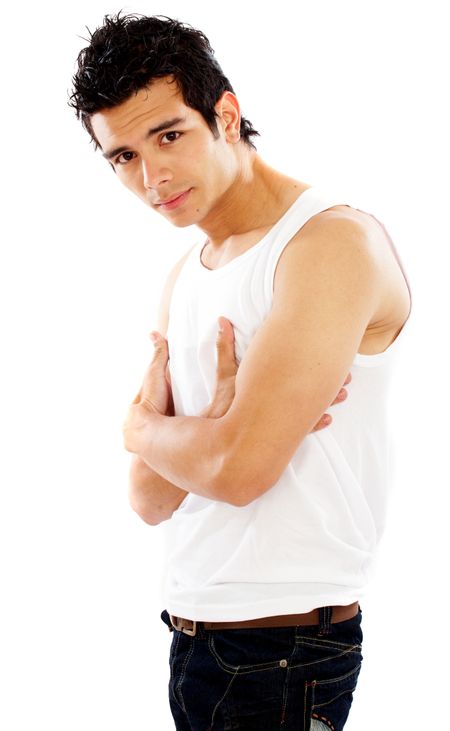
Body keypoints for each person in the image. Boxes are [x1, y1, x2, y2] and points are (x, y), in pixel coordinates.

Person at [69, 12, 412, 731]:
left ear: (224, 112)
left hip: (284, 650)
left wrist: (145, 425)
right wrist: (206, 432)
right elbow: (148, 495)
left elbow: (239, 469)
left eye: (168, 135)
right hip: (194, 637)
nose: (151, 175)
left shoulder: (327, 245)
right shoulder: (188, 273)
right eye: (123, 156)